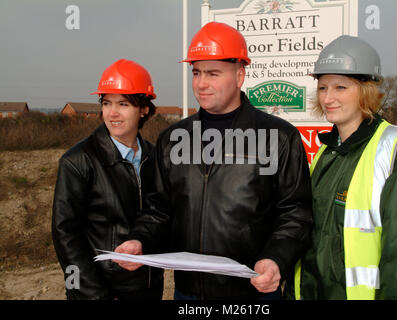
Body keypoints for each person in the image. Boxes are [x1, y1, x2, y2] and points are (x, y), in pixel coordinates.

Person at [114, 22, 313, 300]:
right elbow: (158, 210)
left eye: (213, 73)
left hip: (253, 293)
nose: (201, 83)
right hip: (189, 294)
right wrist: (140, 240)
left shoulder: (278, 137)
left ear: (240, 75)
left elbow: (296, 214)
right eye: (196, 73)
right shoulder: (172, 138)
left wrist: (276, 257)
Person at [287, 35, 397, 300]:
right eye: (323, 87)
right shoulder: (326, 152)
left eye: (340, 87)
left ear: (366, 90)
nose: (328, 98)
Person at [52, 59, 164, 300]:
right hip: (101, 291)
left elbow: (160, 215)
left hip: (147, 287)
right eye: (106, 103)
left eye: (123, 104)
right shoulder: (78, 161)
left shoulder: (155, 157)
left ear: (144, 109)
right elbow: (66, 236)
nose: (112, 113)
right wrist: (93, 294)